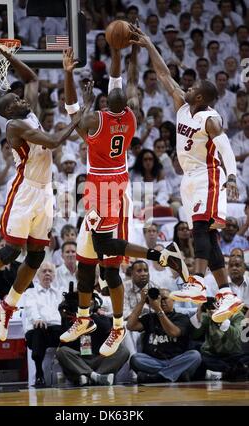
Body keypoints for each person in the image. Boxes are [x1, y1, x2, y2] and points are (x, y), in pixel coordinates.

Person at [59, 45, 188, 357]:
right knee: (85, 264)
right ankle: (85, 318)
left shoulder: (95, 121)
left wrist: (67, 74)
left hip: (107, 188)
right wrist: (122, 51)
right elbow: (118, 82)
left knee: (109, 258)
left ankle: (157, 260)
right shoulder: (131, 117)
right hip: (112, 182)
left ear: (104, 106)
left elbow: (72, 108)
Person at [0, 41, 83, 342]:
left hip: (44, 193)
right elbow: (51, 141)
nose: (23, 100)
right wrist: (76, 121)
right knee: (11, 251)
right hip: (24, 193)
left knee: (36, 257)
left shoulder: (27, 109)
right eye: (16, 101)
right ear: (10, 110)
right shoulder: (14, 126)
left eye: (21, 99)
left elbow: (32, 80)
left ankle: (8, 305)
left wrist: (10, 56)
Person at [128, 24, 244, 324]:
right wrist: (149, 44)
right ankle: (227, 293)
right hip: (189, 179)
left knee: (202, 232)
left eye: (192, 88)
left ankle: (196, 281)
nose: (187, 87)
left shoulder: (210, 119)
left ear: (201, 98)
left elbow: (226, 149)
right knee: (211, 237)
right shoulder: (182, 107)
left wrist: (231, 177)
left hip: (209, 175)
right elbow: (165, 74)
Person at [127, 288, 201, 383]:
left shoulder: (182, 317)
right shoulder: (150, 318)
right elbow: (130, 326)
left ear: (173, 299)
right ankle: (174, 374)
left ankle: (158, 376)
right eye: (159, 299)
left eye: (165, 298)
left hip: (177, 359)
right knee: (136, 359)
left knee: (195, 356)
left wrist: (158, 310)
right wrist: (142, 301)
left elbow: (173, 332)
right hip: (154, 361)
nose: (162, 302)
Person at [22, 261, 63, 387]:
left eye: (50, 271)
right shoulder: (30, 293)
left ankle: (75, 373)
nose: (47, 274)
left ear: (54, 275)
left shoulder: (60, 293)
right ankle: (39, 373)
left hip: (56, 329)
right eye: (44, 271)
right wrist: (37, 319)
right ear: (37, 275)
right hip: (38, 329)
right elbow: (31, 308)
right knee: (39, 330)